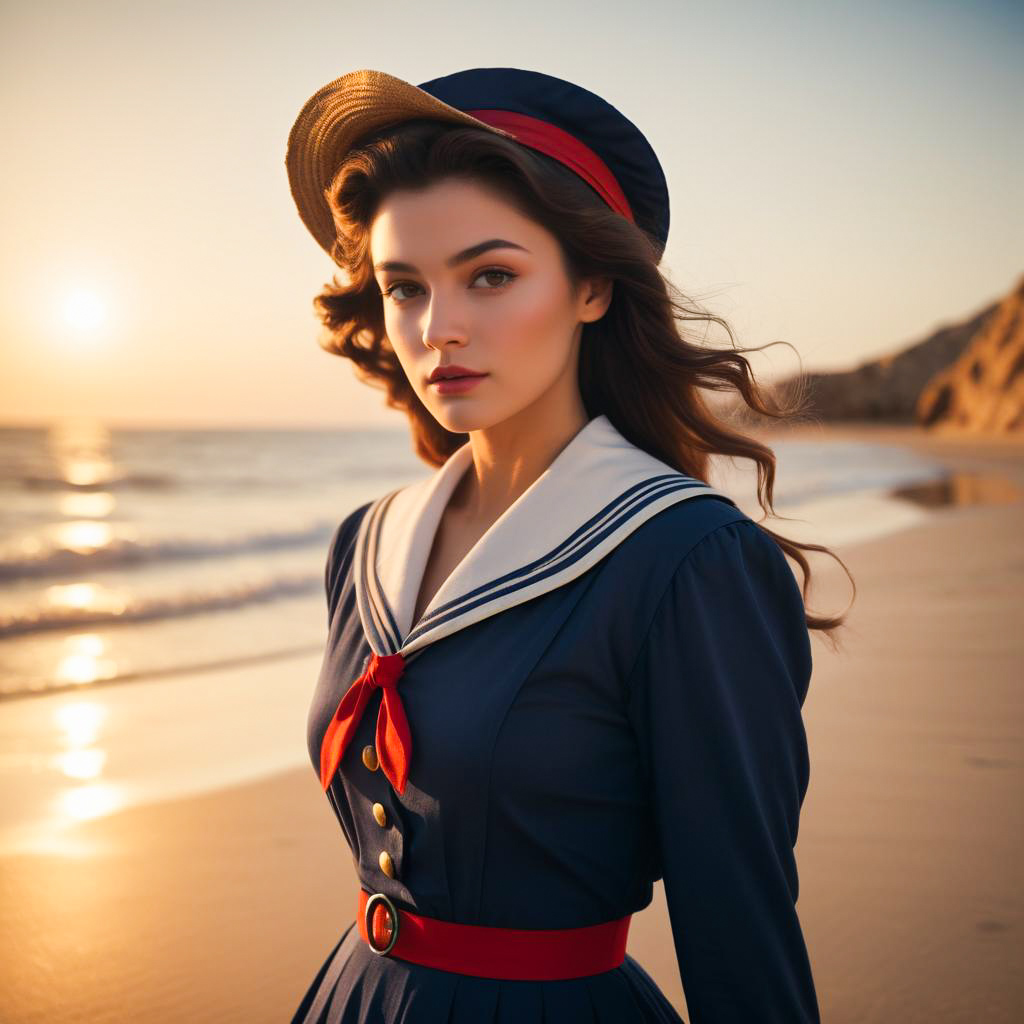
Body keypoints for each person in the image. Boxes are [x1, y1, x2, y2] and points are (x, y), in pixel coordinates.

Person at [284, 67, 852, 1024]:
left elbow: (739, 926)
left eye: (491, 276)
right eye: (404, 288)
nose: (438, 330)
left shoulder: (686, 562)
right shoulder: (364, 545)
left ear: (592, 285)